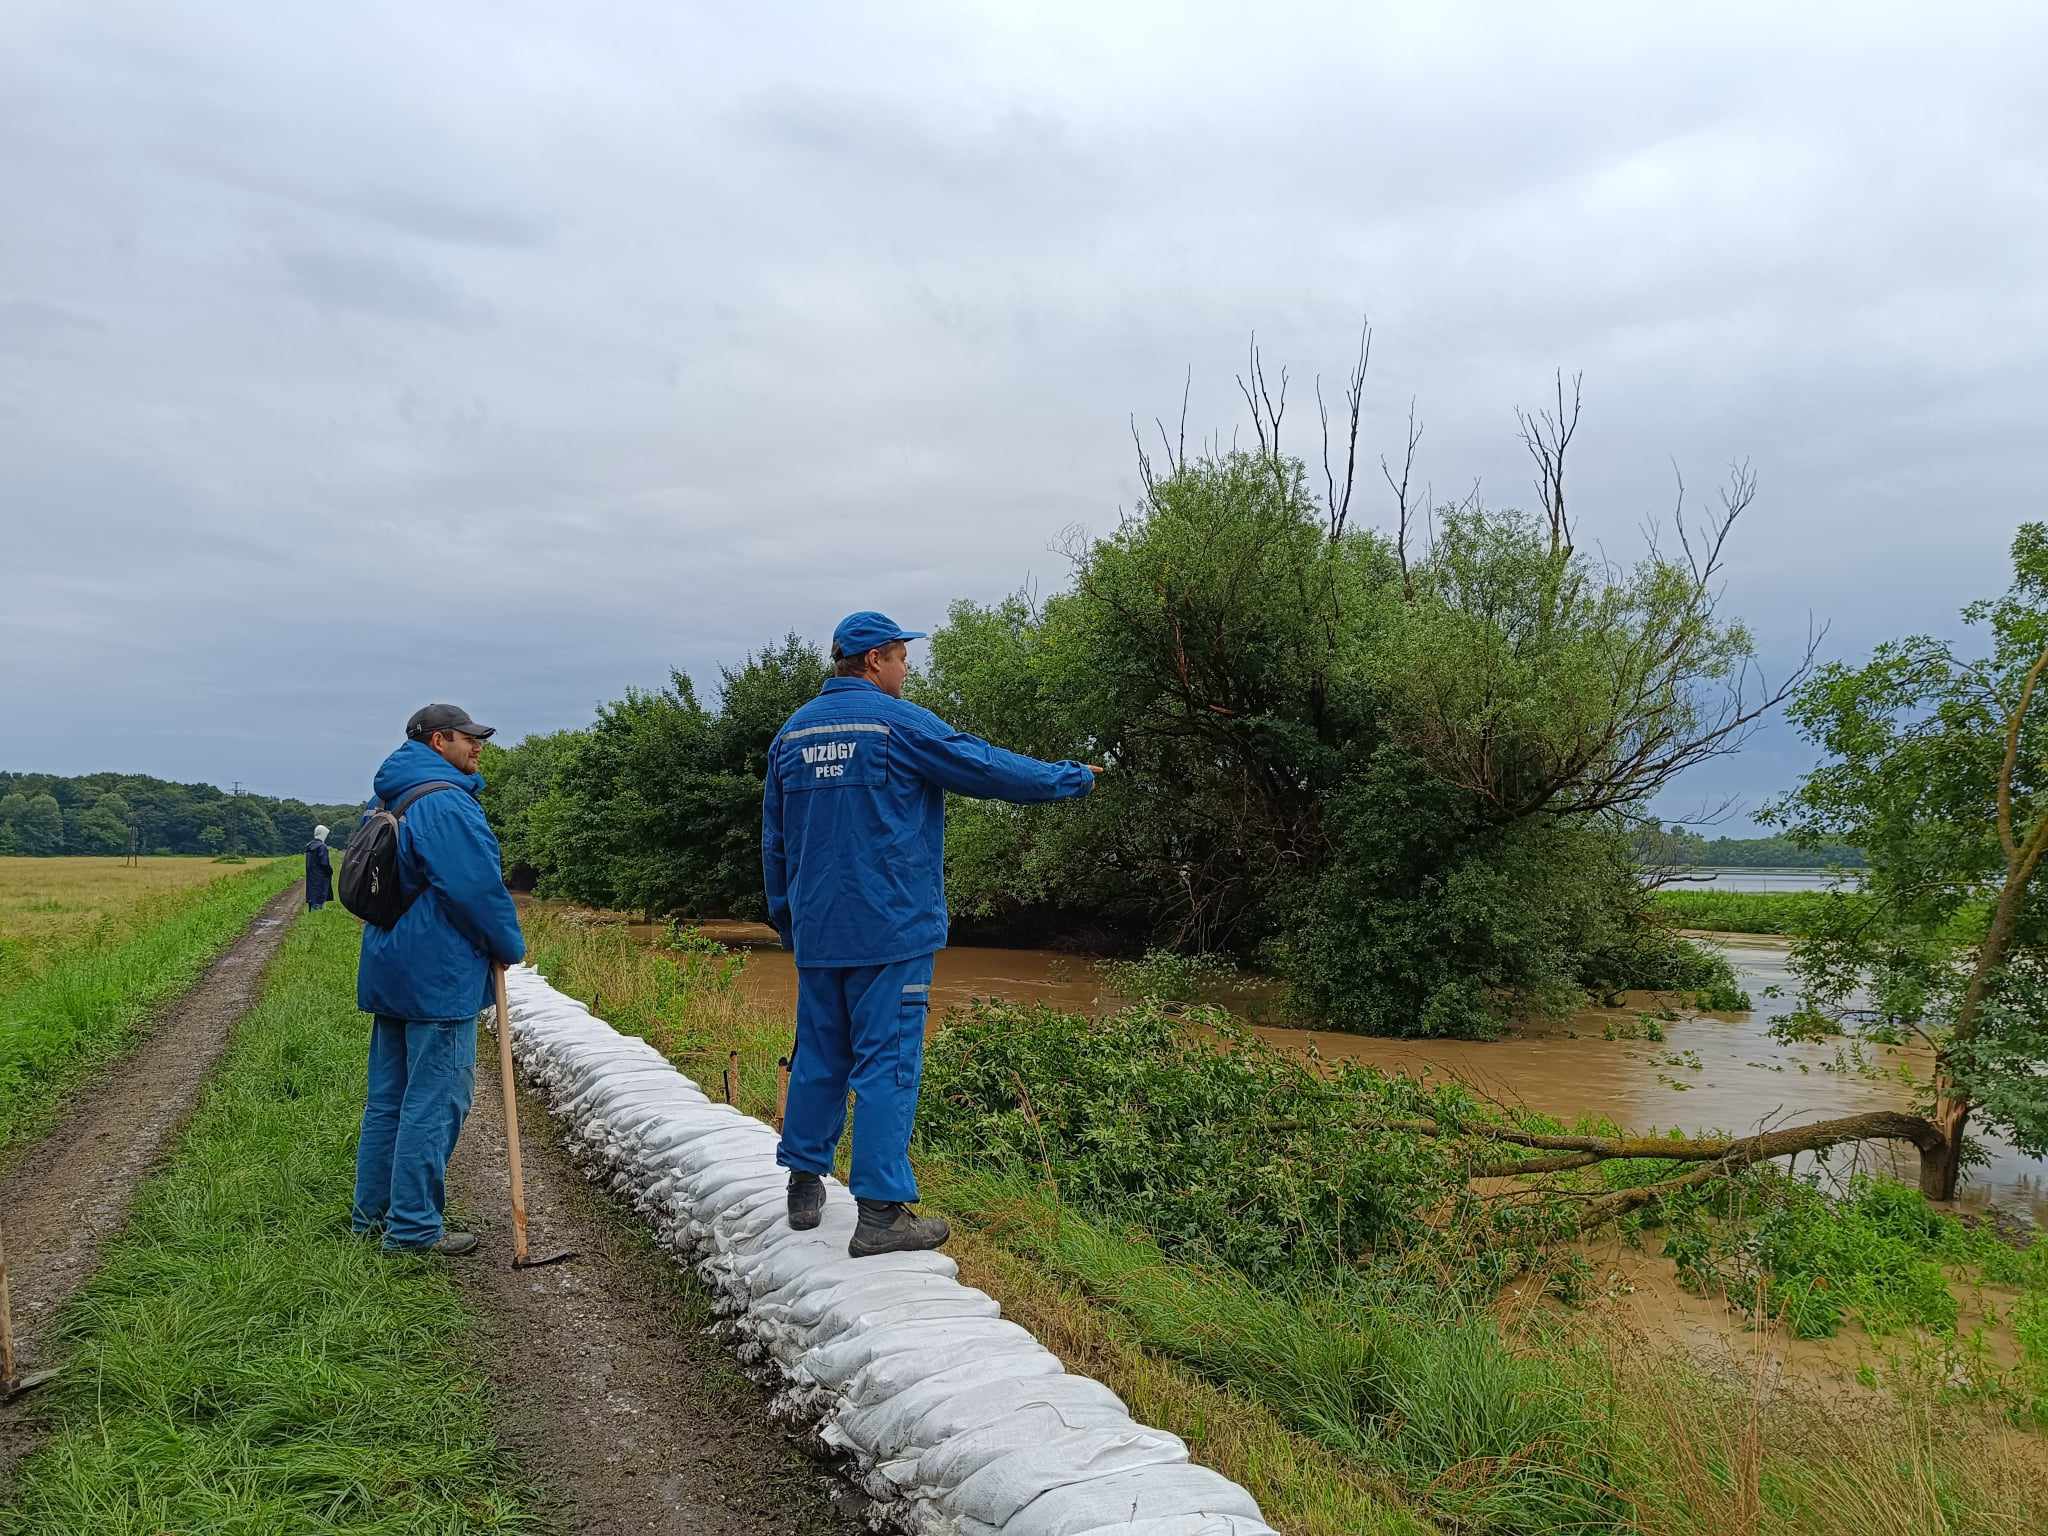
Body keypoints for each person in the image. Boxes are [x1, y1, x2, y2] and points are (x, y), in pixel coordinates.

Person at [764, 612, 1099, 1257]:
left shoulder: (792, 735)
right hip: (891, 929)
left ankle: (805, 1185)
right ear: (872, 662)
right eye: (900, 658)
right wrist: (1071, 778)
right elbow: (984, 766)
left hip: (820, 930)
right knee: (887, 1063)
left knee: (819, 1053)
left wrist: (789, 919)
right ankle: (882, 1215)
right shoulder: (898, 725)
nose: (905, 669)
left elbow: (774, 841)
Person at [352, 704, 525, 1256]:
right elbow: (474, 889)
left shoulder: (390, 796)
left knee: (390, 1099)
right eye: (469, 739)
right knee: (435, 1099)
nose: (478, 748)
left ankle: (372, 1218)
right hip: (436, 973)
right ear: (437, 740)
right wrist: (508, 946)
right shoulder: (447, 804)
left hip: (391, 963)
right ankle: (412, 1229)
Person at [305, 824, 334, 910]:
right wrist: (330, 871)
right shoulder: (322, 847)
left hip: (311, 877)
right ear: (323, 834)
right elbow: (324, 863)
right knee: (320, 896)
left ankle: (312, 914)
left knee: (312, 896)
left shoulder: (309, 846)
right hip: (321, 877)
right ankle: (317, 915)